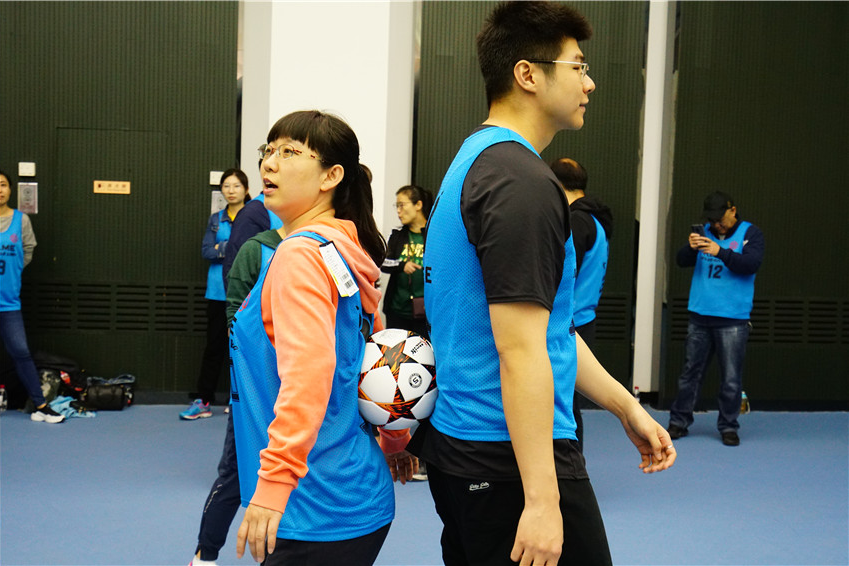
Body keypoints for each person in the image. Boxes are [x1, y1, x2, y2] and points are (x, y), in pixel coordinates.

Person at [418, 3, 676, 565]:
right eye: (577, 66)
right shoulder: (520, 183)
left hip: (471, 450)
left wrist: (625, 406)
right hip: (507, 461)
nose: (590, 82)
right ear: (528, 74)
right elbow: (519, 350)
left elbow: (548, 328)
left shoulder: (477, 159)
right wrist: (541, 500)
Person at [231, 110, 417, 566]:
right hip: (356, 491)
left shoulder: (299, 256)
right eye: (268, 150)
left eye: (290, 152)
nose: (269, 163)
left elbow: (309, 375)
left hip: (313, 505)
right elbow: (378, 361)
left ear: (331, 176)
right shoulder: (336, 252)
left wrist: (274, 484)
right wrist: (394, 440)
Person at [188, 226, 284, 566]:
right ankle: (205, 556)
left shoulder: (325, 249)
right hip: (256, 392)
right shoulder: (257, 250)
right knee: (236, 472)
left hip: (304, 394)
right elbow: (235, 320)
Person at [667, 191, 764, 447]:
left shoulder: (751, 233)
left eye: (720, 219)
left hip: (733, 319)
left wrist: (720, 251)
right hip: (700, 315)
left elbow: (750, 264)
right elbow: (681, 261)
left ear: (733, 210)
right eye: (711, 220)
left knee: (731, 378)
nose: (716, 224)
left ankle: (729, 426)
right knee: (689, 374)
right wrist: (690, 248)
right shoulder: (705, 233)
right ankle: (678, 422)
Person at [550, 157, 613, 452]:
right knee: (568, 402)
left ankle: (571, 465)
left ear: (556, 185)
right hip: (583, 319)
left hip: (570, 322)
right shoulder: (596, 219)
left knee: (564, 404)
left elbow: (559, 272)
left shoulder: (577, 221)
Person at [180, 169, 250, 420]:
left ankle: (239, 400)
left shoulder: (253, 216)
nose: (231, 191)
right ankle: (204, 400)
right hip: (218, 292)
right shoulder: (216, 219)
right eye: (226, 186)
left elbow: (252, 251)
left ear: (246, 189)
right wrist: (232, 249)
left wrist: (224, 248)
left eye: (236, 186)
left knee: (242, 348)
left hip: (245, 292)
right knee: (214, 347)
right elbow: (207, 251)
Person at [0, 171, 64, 424]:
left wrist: (13, 272)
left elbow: (28, 251)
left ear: (10, 190)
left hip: (9, 304)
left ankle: (41, 406)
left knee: (21, 352)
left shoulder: (21, 220)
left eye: (3, 185)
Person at [381, 184, 432, 339]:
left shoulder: (433, 234)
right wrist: (402, 265)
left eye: (402, 205)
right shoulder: (397, 235)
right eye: (396, 206)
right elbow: (383, 263)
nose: (398, 211)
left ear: (418, 205)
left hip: (427, 312)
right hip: (397, 310)